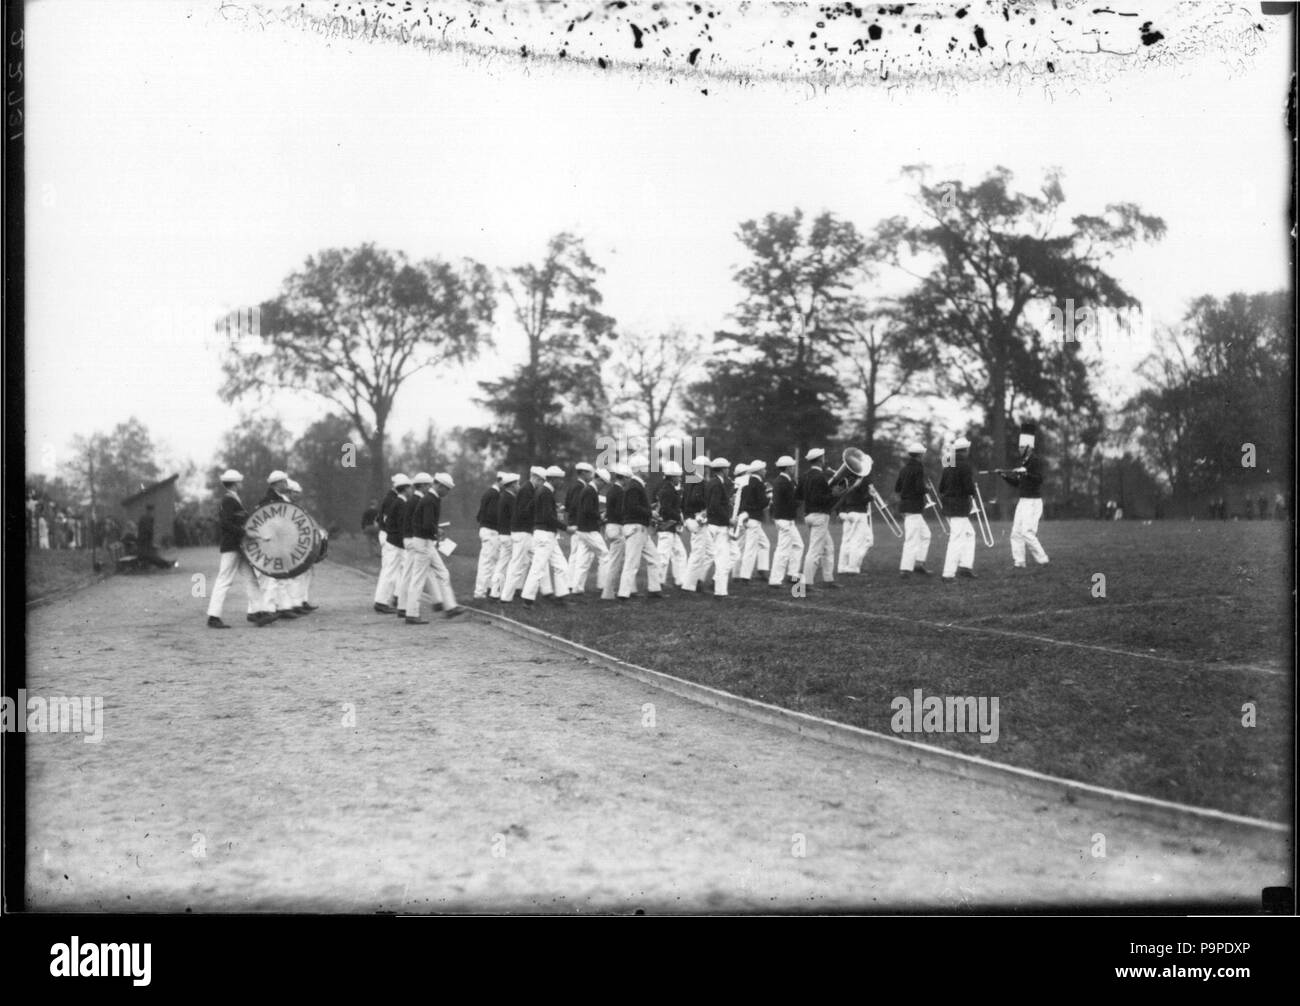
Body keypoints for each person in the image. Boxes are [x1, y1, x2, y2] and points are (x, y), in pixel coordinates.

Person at [205, 470, 276, 628]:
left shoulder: (232, 499)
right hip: (232, 546)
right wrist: (245, 532)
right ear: (235, 483)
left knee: (251, 579)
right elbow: (225, 523)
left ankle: (259, 612)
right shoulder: (228, 500)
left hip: (239, 547)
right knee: (224, 580)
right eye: (239, 482)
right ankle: (213, 616)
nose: (241, 484)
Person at [404, 473, 466, 622]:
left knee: (443, 574)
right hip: (424, 543)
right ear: (438, 485)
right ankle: (411, 614)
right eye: (446, 489)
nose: (447, 492)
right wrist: (436, 531)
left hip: (425, 543)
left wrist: (434, 529)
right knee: (418, 579)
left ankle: (450, 607)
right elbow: (426, 524)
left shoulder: (431, 499)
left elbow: (425, 522)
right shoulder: (430, 500)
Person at [1001, 421, 1050, 570]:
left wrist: (1026, 473)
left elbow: (1039, 479)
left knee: (1027, 533)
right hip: (1023, 501)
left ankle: (1043, 560)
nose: (1019, 449)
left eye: (1022, 447)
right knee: (1016, 532)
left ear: (1029, 448)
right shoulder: (1024, 461)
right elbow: (1018, 484)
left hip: (1033, 502)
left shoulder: (1035, 461)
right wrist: (1004, 476)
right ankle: (1019, 562)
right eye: (1019, 446)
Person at [523, 466, 572, 606]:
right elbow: (547, 517)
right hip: (545, 535)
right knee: (538, 568)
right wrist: (566, 528)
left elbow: (531, 509)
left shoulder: (542, 491)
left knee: (561, 565)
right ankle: (528, 599)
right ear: (553, 479)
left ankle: (562, 596)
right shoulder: (545, 492)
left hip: (545, 534)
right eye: (559, 479)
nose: (561, 482)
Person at [617, 456, 664, 600]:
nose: (647, 469)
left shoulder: (636, 485)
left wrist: (649, 509)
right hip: (636, 528)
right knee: (632, 562)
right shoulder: (634, 486)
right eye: (645, 467)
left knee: (654, 559)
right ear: (637, 470)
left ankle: (654, 589)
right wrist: (651, 512)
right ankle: (623, 593)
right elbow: (633, 507)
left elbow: (635, 506)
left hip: (639, 528)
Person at [500, 468, 542, 604]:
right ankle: (506, 597)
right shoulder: (527, 490)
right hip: (522, 532)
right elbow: (524, 512)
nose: (542, 484)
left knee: (530, 561)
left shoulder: (527, 489)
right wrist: (537, 502)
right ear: (535, 478)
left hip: (524, 532)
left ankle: (525, 592)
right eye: (541, 480)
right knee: (517, 564)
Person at [938, 438, 977, 582]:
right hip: (959, 506)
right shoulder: (965, 465)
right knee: (957, 539)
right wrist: (973, 489)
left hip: (949, 505)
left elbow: (941, 487)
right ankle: (948, 574)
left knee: (969, 533)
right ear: (966, 450)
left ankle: (965, 566)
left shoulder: (948, 463)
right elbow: (969, 488)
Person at [799, 448, 838, 590]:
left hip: (808, 515)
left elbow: (799, 495)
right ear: (821, 459)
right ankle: (806, 584)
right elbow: (821, 499)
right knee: (815, 550)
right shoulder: (820, 476)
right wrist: (834, 494)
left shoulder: (804, 476)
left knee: (828, 547)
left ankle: (828, 580)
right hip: (819, 516)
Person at [568, 467, 610, 598]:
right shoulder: (590, 491)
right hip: (589, 530)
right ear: (598, 479)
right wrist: (600, 516)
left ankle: (577, 588)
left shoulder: (588, 490)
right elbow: (588, 511)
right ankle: (604, 586)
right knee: (605, 555)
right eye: (603, 483)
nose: (603, 486)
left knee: (583, 559)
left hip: (582, 529)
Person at [399, 473, 434, 616]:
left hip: (407, 538)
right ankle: (410, 609)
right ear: (424, 486)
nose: (430, 488)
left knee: (407, 574)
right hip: (414, 539)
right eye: (429, 485)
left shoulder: (412, 500)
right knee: (414, 575)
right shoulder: (419, 500)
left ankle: (403, 606)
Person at [895, 442, 932, 577]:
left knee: (926, 534)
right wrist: (926, 488)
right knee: (911, 539)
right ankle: (905, 569)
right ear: (921, 454)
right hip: (914, 507)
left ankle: (919, 563)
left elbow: (897, 488)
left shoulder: (904, 469)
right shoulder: (918, 468)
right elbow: (919, 488)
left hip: (906, 506)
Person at [376, 474, 411, 614]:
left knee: (394, 571)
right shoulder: (395, 501)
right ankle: (382, 601)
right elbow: (391, 522)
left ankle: (394, 598)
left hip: (391, 538)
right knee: (390, 572)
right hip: (393, 540)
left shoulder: (393, 499)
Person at [834, 455, 874, 575]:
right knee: (860, 541)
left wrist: (840, 512)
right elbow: (865, 498)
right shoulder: (864, 479)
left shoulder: (847, 478)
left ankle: (842, 567)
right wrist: (871, 495)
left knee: (846, 541)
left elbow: (840, 495)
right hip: (859, 512)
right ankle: (853, 567)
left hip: (847, 512)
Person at [766, 455, 803, 588]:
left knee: (798, 545)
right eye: (792, 466)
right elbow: (790, 502)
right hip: (785, 520)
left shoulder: (783, 480)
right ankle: (775, 580)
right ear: (788, 468)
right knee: (783, 550)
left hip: (785, 519)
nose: (794, 468)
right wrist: (801, 499)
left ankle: (792, 574)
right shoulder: (784, 482)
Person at [680, 455, 714, 593]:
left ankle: (698, 580)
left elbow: (683, 503)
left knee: (709, 552)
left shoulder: (689, 480)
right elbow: (695, 500)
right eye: (707, 467)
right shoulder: (699, 481)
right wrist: (705, 507)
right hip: (698, 518)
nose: (708, 469)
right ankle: (688, 585)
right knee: (698, 553)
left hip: (691, 518)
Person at [598, 465, 630, 601]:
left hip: (610, 527)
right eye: (627, 478)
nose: (628, 481)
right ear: (623, 478)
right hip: (616, 527)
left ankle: (608, 591)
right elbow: (618, 512)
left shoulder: (611, 491)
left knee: (614, 560)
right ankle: (608, 592)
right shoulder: (620, 492)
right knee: (615, 562)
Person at [655, 461, 687, 588]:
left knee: (679, 554)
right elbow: (665, 509)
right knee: (663, 556)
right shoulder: (667, 490)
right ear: (673, 476)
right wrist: (678, 516)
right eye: (679, 476)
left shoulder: (667, 488)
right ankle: (658, 582)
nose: (680, 478)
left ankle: (679, 580)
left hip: (669, 528)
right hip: (666, 527)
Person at [473, 474, 503, 600]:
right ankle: (480, 593)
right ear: (500, 481)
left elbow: (479, 515)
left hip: (485, 529)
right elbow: (492, 514)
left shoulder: (488, 493)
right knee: (487, 563)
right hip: (491, 531)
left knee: (489, 562)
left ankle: (487, 591)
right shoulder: (494, 494)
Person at [489, 473, 519, 599]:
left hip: (503, 534)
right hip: (509, 535)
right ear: (512, 485)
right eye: (517, 483)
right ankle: (509, 591)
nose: (518, 486)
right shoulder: (509, 498)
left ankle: (495, 592)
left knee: (502, 564)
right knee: (516, 562)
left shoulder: (504, 497)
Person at [135, 503, 176, 569]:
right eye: (152, 511)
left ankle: (166, 564)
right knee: (153, 558)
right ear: (150, 511)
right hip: (144, 546)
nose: (153, 513)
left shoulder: (143, 518)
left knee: (154, 557)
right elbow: (148, 531)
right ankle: (167, 564)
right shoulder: (147, 519)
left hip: (144, 545)